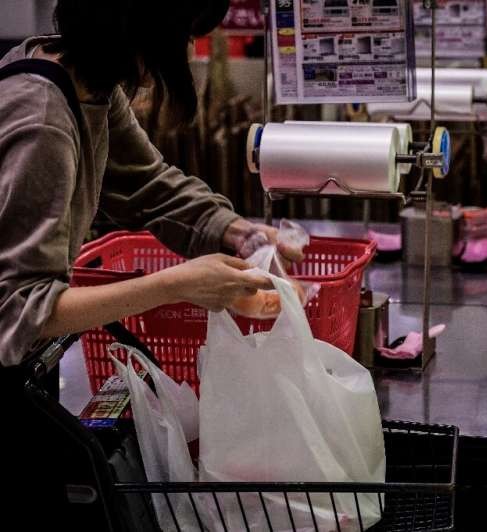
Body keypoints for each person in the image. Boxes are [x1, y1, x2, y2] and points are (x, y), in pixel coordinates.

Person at [0, 0, 301, 523]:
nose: (188, 51)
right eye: (184, 33)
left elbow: (149, 185)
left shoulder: (87, 88)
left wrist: (240, 232)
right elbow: (21, 311)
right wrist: (176, 284)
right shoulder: (43, 118)